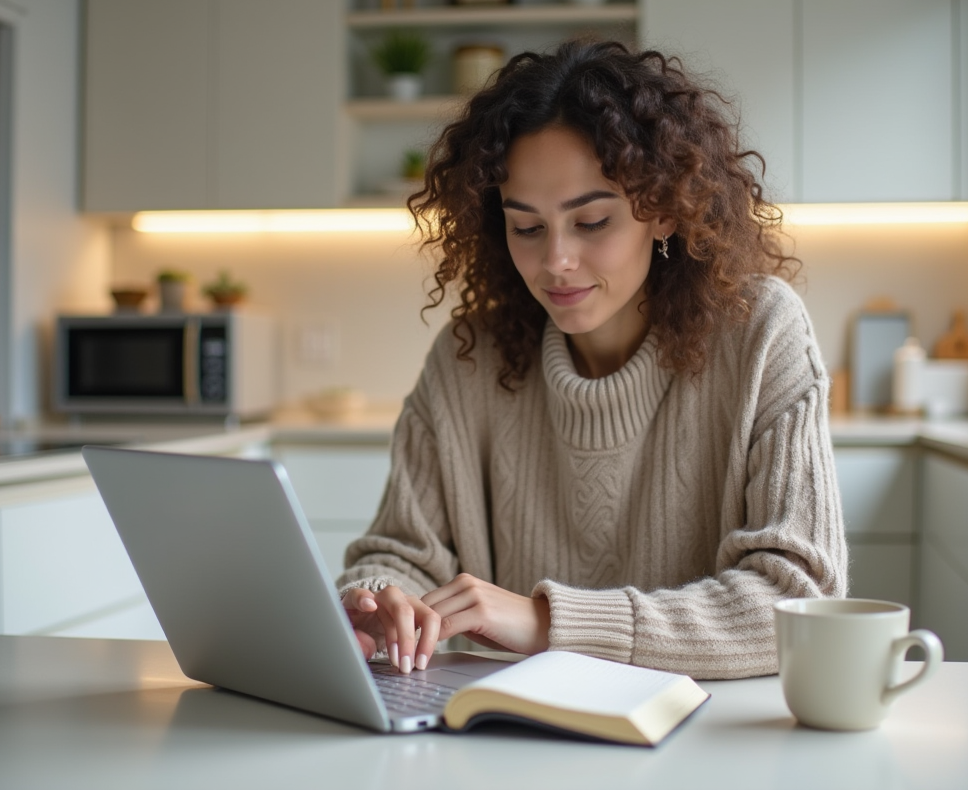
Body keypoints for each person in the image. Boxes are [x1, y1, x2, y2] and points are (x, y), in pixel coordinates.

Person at [336, 39, 847, 681]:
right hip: (504, 738)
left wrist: (551, 624)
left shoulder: (761, 332)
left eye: (592, 221)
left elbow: (797, 599)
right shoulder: (468, 361)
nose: (555, 261)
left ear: (662, 210)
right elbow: (399, 553)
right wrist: (381, 600)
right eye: (526, 227)